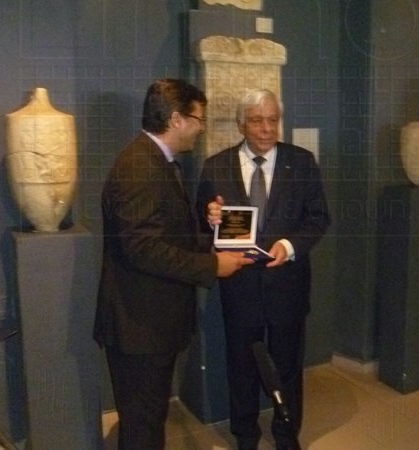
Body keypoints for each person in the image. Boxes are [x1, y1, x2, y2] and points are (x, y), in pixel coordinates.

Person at [94, 79, 254, 450]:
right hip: (140, 327)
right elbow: (143, 248)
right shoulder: (140, 167)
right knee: (143, 425)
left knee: (148, 419)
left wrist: (210, 229)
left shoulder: (156, 162)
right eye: (199, 119)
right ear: (177, 119)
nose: (202, 128)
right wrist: (211, 266)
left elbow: (166, 235)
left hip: (149, 324)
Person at [197, 88, 330, 450]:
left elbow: (319, 218)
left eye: (273, 120)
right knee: (241, 366)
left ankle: (286, 434)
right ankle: (245, 435)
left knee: (288, 367)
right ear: (241, 124)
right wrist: (210, 220)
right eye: (257, 121)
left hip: (288, 285)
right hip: (239, 287)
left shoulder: (301, 162)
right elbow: (200, 225)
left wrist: (289, 247)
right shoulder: (215, 166)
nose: (267, 129)